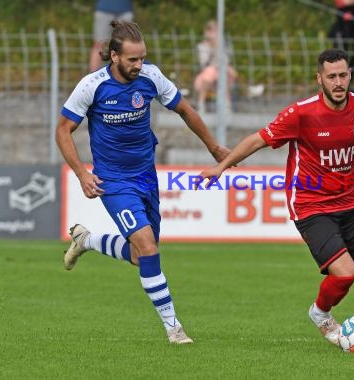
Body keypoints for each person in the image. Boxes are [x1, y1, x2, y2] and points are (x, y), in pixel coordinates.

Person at [199, 49, 354, 349]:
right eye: (331, 76)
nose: (338, 82)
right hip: (310, 205)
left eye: (343, 75)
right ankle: (320, 312)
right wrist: (222, 166)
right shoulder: (302, 113)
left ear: (350, 75)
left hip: (349, 202)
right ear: (319, 79)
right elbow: (259, 138)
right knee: (346, 274)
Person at [56, 20, 230, 344]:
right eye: (132, 59)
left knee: (141, 256)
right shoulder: (92, 86)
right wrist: (82, 172)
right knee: (148, 247)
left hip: (146, 177)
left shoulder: (151, 76)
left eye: (142, 58)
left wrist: (213, 146)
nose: (139, 65)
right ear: (114, 56)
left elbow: (185, 110)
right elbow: (63, 128)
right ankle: (174, 328)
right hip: (113, 181)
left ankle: (88, 241)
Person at [193, 20, 238, 114]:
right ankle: (201, 104)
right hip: (205, 77)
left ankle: (227, 106)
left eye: (216, 31)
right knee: (210, 72)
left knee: (226, 74)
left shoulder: (224, 46)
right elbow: (204, 64)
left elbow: (226, 61)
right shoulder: (202, 47)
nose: (214, 34)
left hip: (220, 75)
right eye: (211, 31)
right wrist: (213, 48)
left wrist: (218, 47)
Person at [89, 0, 134, 72]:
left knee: (126, 45)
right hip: (103, 9)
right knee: (99, 45)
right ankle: (93, 79)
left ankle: (125, 76)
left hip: (125, 10)